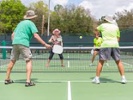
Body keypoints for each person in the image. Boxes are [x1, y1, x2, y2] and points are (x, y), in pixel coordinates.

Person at [4, 10, 51, 87]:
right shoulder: (31, 23)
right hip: (24, 43)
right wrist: (45, 44)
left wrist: (15, 42)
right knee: (28, 61)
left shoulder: (20, 23)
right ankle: (28, 81)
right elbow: (35, 35)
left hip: (15, 43)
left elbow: (13, 35)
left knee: (12, 61)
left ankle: (7, 79)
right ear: (33, 17)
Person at [92, 16, 127, 84]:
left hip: (105, 45)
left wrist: (97, 35)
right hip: (115, 45)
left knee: (101, 62)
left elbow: (96, 29)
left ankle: (97, 78)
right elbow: (118, 39)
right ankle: (123, 78)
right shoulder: (116, 27)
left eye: (104, 20)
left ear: (105, 20)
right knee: (118, 62)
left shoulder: (102, 25)